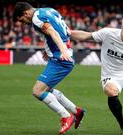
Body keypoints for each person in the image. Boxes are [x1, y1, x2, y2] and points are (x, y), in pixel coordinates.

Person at [12, 2, 85, 134]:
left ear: (25, 13)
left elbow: (54, 32)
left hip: (61, 59)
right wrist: (49, 48)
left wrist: (62, 51)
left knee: (37, 91)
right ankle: (77, 111)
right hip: (60, 55)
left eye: (22, 20)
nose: (24, 23)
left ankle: (66, 116)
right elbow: (65, 31)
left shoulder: (36, 18)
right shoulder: (49, 10)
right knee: (47, 90)